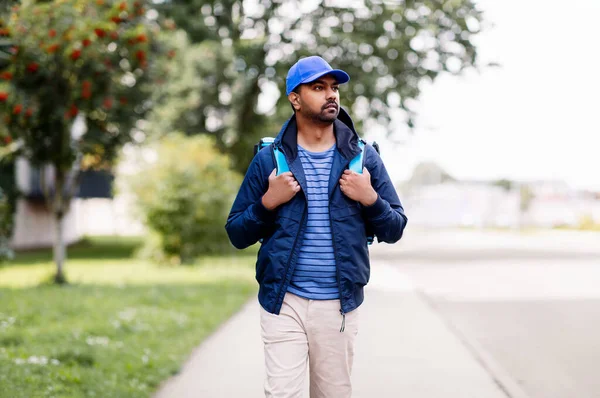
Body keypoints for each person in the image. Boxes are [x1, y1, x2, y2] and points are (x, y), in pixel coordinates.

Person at [225, 55, 407, 398]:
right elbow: (236, 232)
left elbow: (395, 228)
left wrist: (370, 198)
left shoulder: (364, 157)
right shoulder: (270, 159)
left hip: (339, 305)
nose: (331, 95)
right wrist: (268, 201)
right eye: (318, 87)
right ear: (295, 98)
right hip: (284, 301)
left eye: (334, 88)